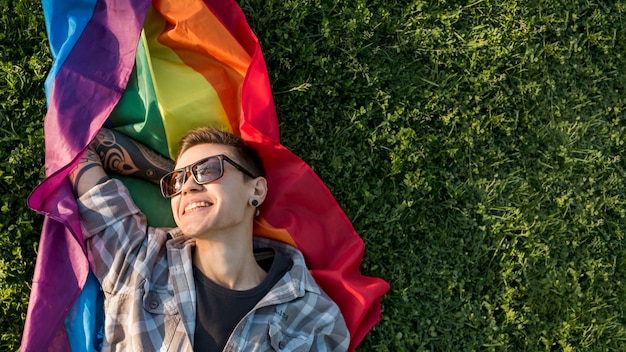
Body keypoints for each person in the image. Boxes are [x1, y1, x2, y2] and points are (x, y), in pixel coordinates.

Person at [69, 127, 350, 351]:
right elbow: (81, 142)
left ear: (257, 190)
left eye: (209, 170)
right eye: (177, 181)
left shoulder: (313, 315)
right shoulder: (136, 258)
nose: (188, 186)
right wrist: (188, 184)